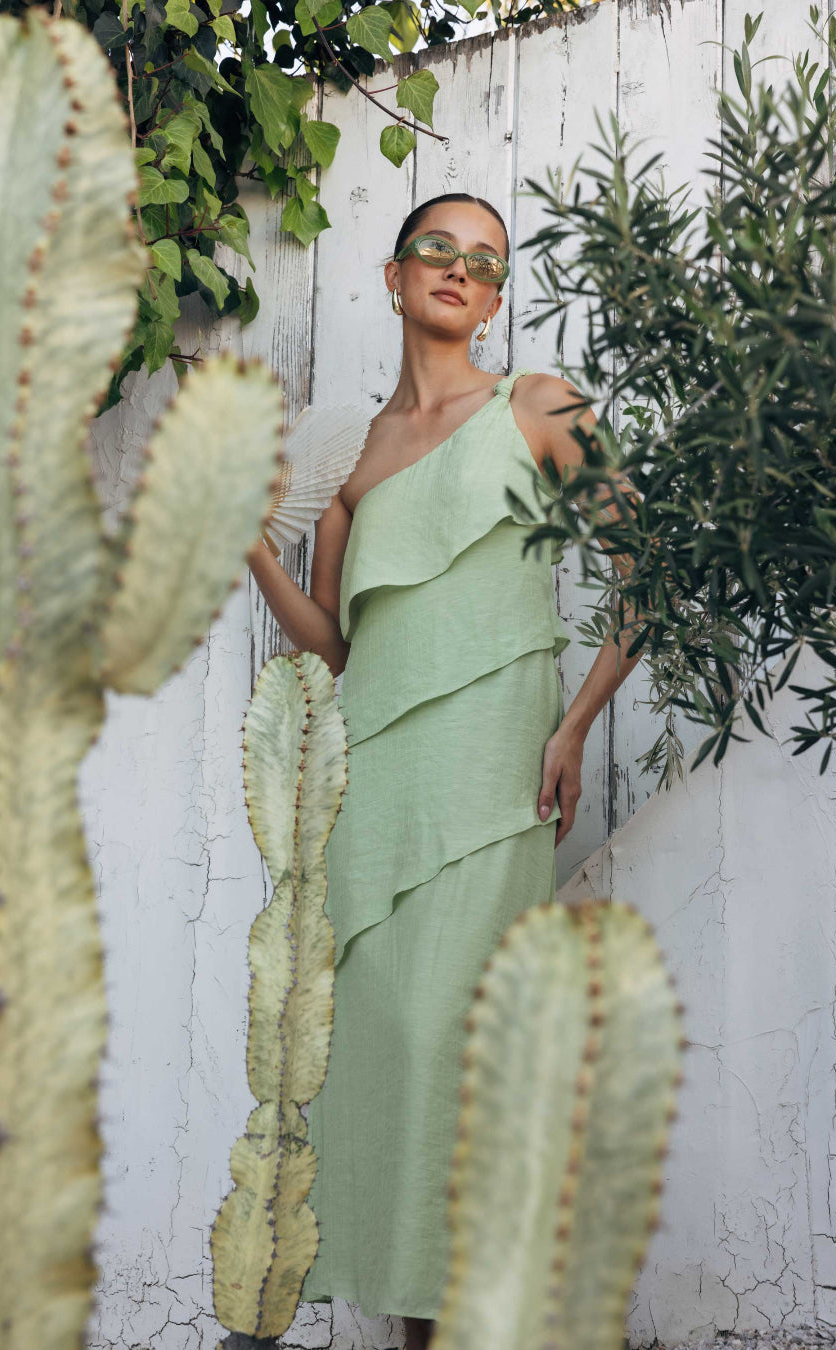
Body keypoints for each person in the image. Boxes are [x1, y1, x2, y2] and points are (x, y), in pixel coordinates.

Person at [244, 192, 645, 1350]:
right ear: (393, 273)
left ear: (498, 293)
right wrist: (248, 550)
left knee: (451, 1046)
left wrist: (571, 729)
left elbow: (645, 571)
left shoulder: (538, 405)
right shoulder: (350, 455)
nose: (460, 269)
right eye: (438, 249)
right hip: (378, 780)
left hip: (493, 776)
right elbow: (333, 641)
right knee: (386, 1055)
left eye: (485, 260)